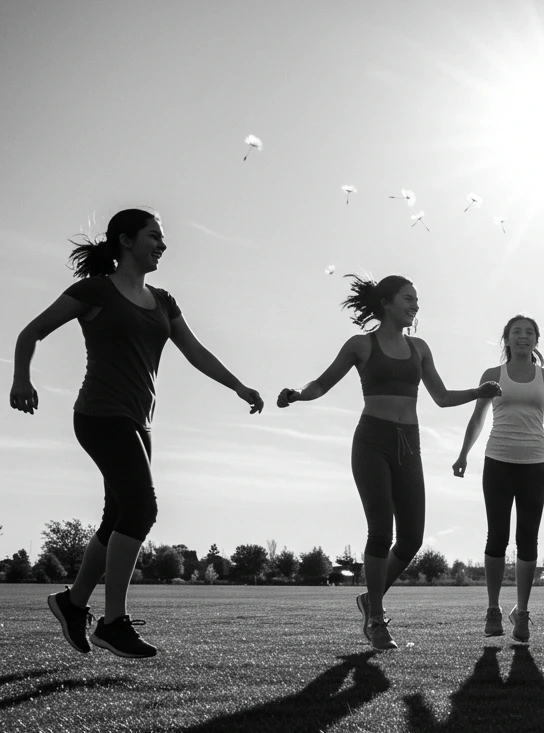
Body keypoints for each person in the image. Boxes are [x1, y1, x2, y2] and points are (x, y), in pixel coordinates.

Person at [10, 209, 264, 658]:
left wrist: (238, 386)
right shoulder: (95, 291)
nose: (162, 245)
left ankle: (71, 602)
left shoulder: (163, 300)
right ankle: (113, 622)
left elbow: (195, 351)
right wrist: (22, 379)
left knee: (118, 516)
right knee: (142, 509)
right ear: (126, 240)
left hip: (138, 421)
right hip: (100, 415)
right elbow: (31, 332)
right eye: (154, 236)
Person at [279, 274, 499, 651]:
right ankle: (376, 619)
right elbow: (322, 384)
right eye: (408, 298)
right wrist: (297, 394)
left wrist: (478, 392)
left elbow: (442, 397)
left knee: (412, 537)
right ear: (386, 303)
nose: (415, 305)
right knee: (380, 530)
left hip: (408, 445)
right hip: (372, 441)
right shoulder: (361, 345)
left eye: (417, 299)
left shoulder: (421, 348)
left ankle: (369, 598)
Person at [453, 315, 544, 643]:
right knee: (497, 537)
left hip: (535, 465)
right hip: (498, 463)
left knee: (528, 540)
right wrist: (463, 454)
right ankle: (493, 610)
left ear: (536, 340)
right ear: (506, 339)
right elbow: (477, 418)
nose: (523, 337)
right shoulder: (493, 375)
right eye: (516, 332)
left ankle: (522, 612)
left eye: (529, 332)